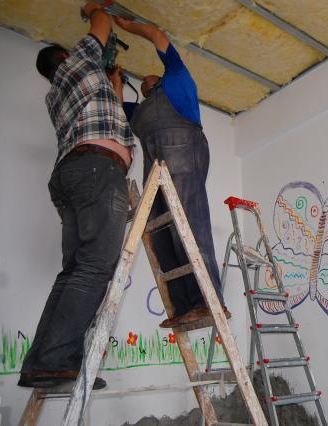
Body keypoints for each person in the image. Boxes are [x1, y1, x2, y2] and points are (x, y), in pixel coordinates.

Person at [18, 1, 133, 389]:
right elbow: (101, 25)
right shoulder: (77, 63)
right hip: (97, 170)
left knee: (75, 270)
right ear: (65, 58)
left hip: (74, 175)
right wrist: (96, 9)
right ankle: (56, 360)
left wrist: (114, 84)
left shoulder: (58, 94)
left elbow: (107, 110)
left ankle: (43, 362)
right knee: (96, 266)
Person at [114, 17, 229, 328]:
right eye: (140, 84)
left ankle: (207, 301)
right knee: (161, 234)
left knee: (188, 227)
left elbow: (157, 34)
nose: (144, 81)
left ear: (161, 77)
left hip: (184, 156)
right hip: (156, 171)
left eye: (149, 78)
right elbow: (117, 105)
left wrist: (124, 25)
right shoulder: (139, 111)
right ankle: (183, 305)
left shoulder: (178, 81)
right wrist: (115, 78)